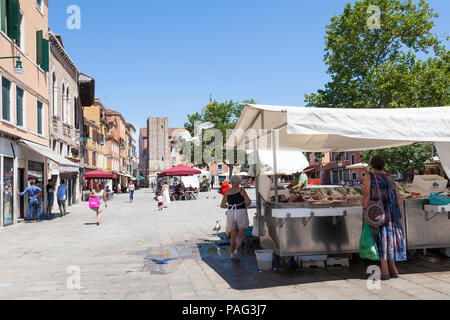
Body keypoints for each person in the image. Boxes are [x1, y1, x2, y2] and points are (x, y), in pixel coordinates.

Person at [363, 155, 407, 280]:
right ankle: (393, 268)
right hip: (392, 211)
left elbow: (366, 194)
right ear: (383, 165)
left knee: (381, 238)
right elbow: (397, 195)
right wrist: (399, 211)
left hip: (379, 212)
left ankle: (384, 270)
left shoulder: (369, 176)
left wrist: (365, 210)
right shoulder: (390, 177)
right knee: (390, 238)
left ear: (372, 165)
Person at [220, 175, 252, 260]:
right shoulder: (241, 190)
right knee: (241, 234)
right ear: (237, 182)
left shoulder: (227, 192)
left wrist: (230, 205)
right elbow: (248, 202)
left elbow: (222, 205)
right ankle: (236, 250)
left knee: (233, 234)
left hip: (230, 213)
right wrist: (243, 204)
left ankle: (231, 253)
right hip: (240, 212)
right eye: (240, 180)